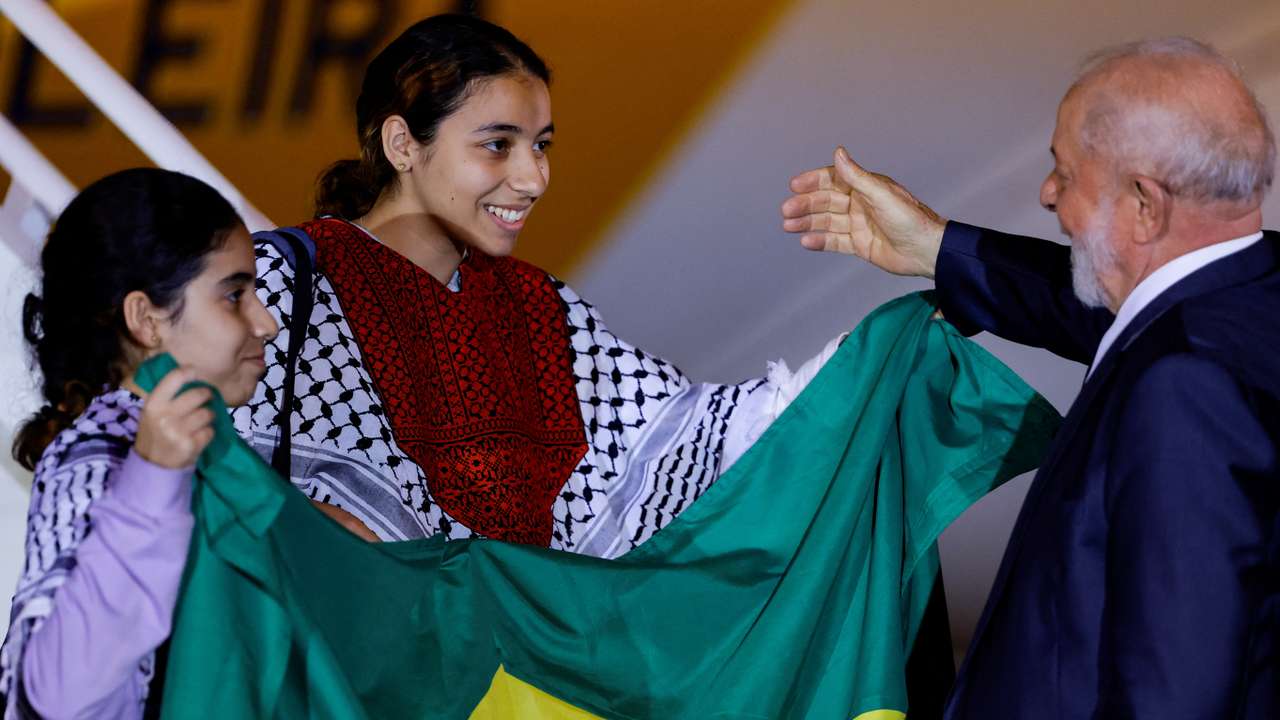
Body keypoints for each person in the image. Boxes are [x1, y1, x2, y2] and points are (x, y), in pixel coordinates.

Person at [782, 37, 1280, 718]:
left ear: (1145, 205)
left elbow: (1170, 694)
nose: (1047, 194)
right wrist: (936, 246)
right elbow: (1121, 312)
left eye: (1065, 174)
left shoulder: (1185, 392)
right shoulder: (1249, 295)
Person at [233, 14, 848, 556]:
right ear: (402, 145)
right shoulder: (278, 280)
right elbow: (184, 464)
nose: (533, 178)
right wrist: (288, 518)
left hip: (501, 655)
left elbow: (703, 443)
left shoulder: (541, 309)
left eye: (541, 145)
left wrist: (875, 353)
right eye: (497, 145)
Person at [0, 168, 278, 718]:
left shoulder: (205, 452)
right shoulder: (102, 456)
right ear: (146, 319)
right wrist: (152, 479)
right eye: (234, 295)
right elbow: (59, 697)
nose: (265, 322)